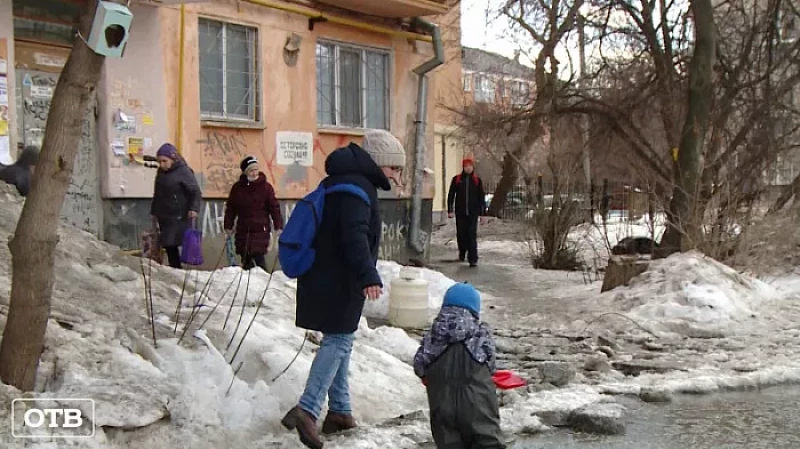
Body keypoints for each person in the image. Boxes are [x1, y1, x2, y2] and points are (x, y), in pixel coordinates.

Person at [281, 130, 406, 449]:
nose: (396, 175)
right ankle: (307, 409)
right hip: (339, 277)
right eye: (395, 167)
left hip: (325, 274)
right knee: (338, 339)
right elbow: (354, 236)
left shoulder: (340, 183)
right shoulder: (356, 189)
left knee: (342, 338)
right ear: (381, 163)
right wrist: (368, 274)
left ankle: (339, 410)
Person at [414, 282, 505, 449]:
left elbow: (419, 365)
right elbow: (491, 365)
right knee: (487, 443)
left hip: (443, 408)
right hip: (478, 407)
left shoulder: (434, 337)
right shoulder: (480, 335)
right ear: (474, 310)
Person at [223, 156, 283, 271]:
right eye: (251, 170)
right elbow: (231, 208)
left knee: (259, 262)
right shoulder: (238, 188)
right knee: (246, 260)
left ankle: (264, 285)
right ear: (245, 172)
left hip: (261, 230)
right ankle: (249, 287)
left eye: (256, 169)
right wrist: (228, 226)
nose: (254, 173)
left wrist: (278, 225)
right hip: (243, 231)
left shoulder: (266, 188)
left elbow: (274, 207)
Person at [150, 143, 202, 269]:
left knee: (173, 242)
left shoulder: (183, 171)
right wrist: (154, 211)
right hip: (164, 214)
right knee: (168, 243)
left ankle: (178, 268)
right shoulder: (161, 172)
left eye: (164, 161)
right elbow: (157, 192)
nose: (162, 164)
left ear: (173, 159)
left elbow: (195, 191)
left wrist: (193, 208)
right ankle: (176, 268)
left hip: (179, 214)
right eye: (159, 161)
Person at [447, 158, 487, 267]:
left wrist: (483, 214)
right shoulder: (457, 179)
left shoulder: (477, 181)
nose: (468, 168)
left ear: (473, 167)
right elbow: (451, 195)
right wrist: (450, 210)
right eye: (466, 166)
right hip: (460, 212)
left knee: (472, 235)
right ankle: (462, 252)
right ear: (463, 167)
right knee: (461, 234)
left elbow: (481, 198)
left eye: (470, 166)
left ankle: (473, 258)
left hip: (473, 213)